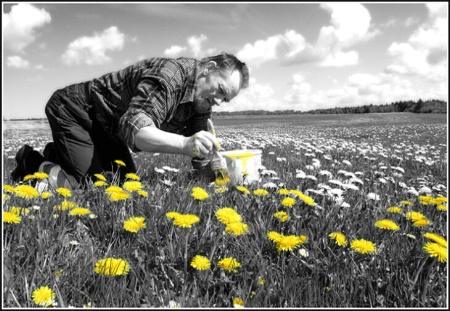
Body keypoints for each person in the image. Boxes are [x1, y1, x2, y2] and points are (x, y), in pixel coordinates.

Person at [10, 52, 249, 188]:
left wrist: (225, 178)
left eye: (225, 99)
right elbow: (136, 127)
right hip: (76, 111)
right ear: (208, 68)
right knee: (93, 191)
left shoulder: (202, 101)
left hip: (108, 128)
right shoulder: (170, 76)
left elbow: (202, 159)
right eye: (220, 90)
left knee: (126, 186)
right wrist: (186, 145)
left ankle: (60, 153)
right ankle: (31, 161)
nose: (218, 101)